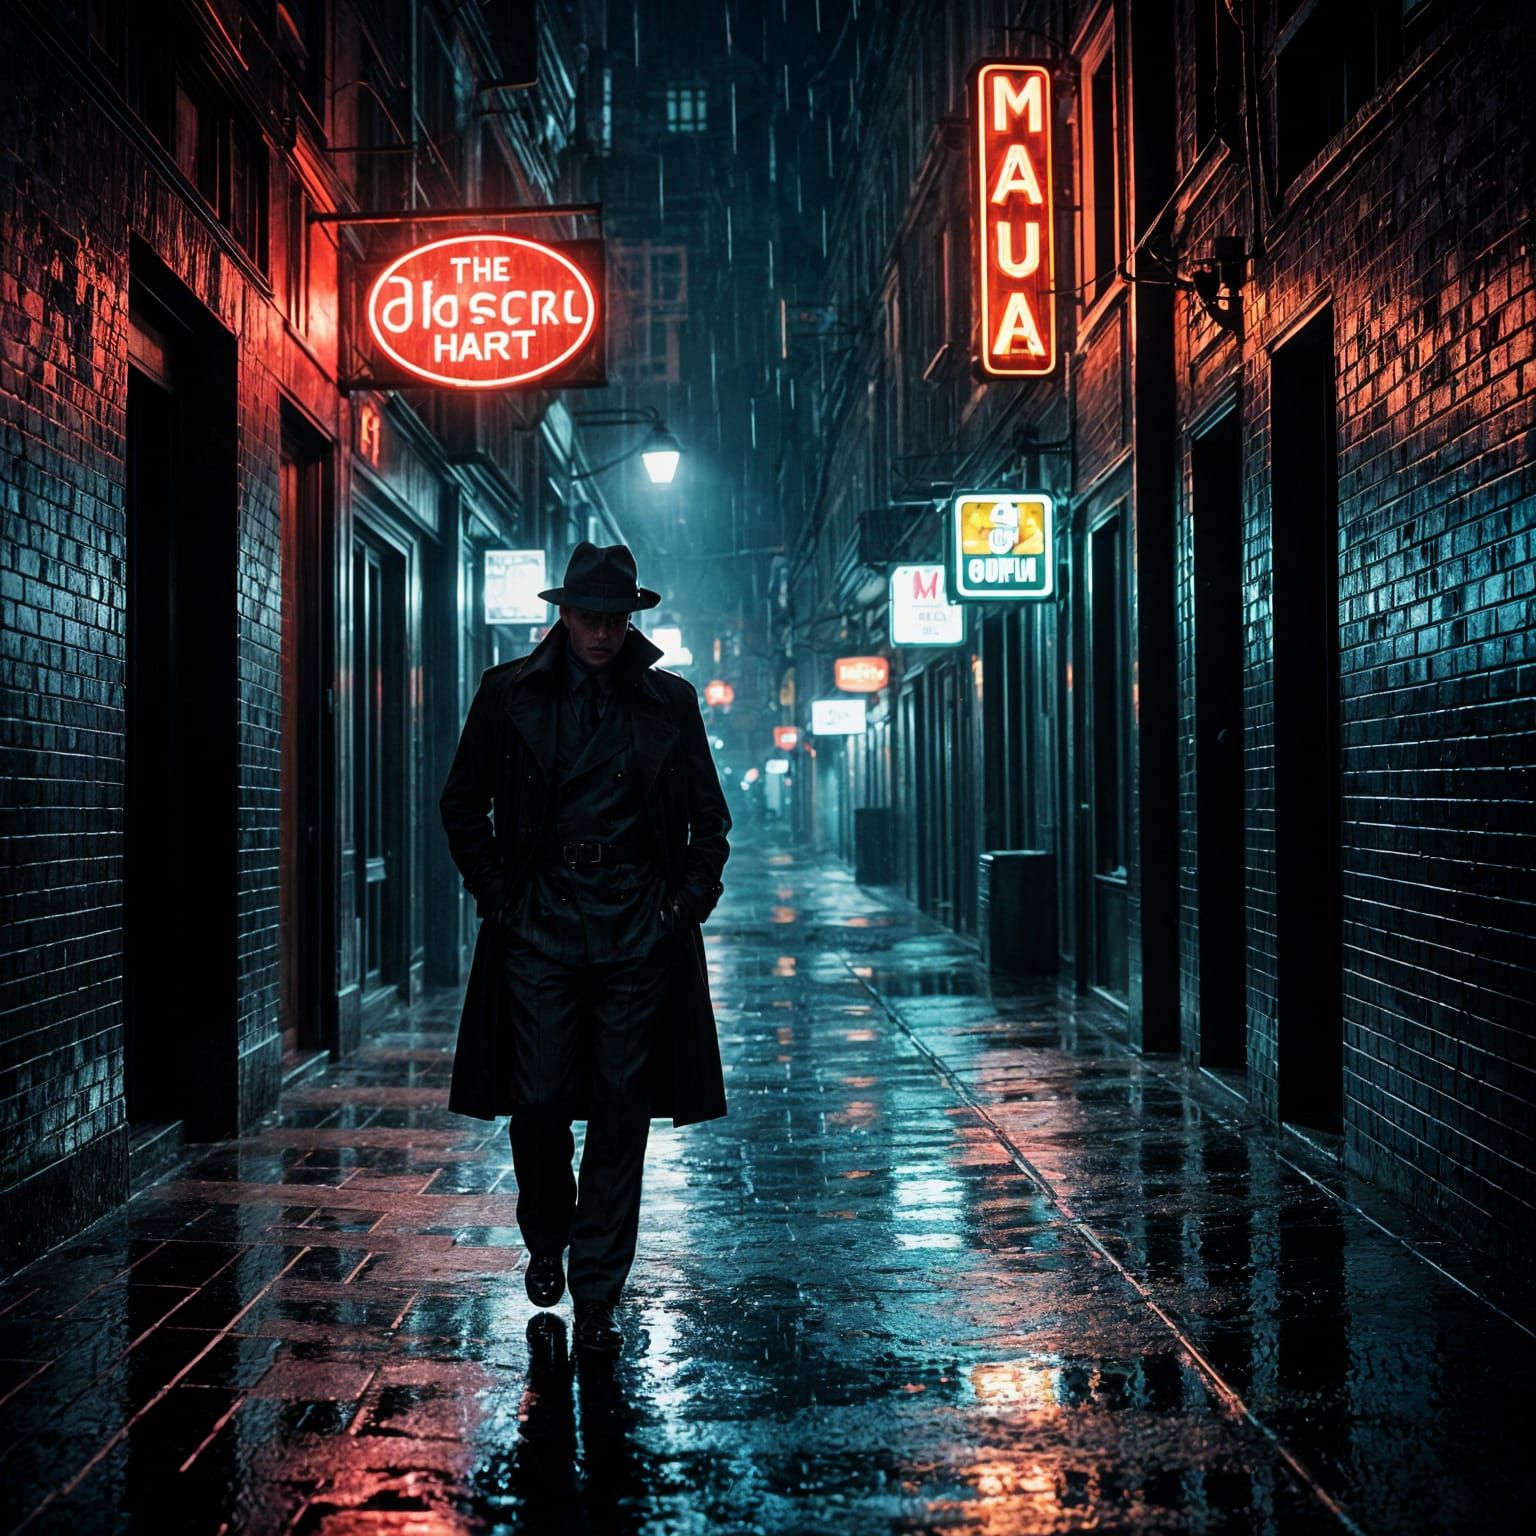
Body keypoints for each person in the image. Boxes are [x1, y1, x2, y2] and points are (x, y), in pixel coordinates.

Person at [439, 542, 731, 1355]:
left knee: (620, 1108)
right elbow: (462, 804)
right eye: (589, 617)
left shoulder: (669, 703)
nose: (602, 633)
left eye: (615, 619)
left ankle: (599, 1278)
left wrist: (683, 908)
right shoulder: (508, 694)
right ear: (562, 615)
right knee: (534, 1099)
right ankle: (545, 1239)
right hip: (539, 925)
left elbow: (710, 821)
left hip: (639, 927)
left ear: (631, 619)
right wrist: (500, 899)